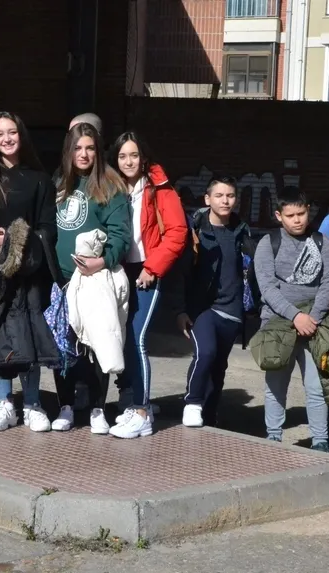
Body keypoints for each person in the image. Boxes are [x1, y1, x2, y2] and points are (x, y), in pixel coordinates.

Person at [50, 123, 131, 434]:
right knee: (64, 347)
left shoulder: (110, 187)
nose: (83, 154)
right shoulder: (59, 183)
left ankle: (98, 409)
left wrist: (102, 261)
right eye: (77, 148)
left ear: (98, 152)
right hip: (62, 281)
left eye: (90, 148)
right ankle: (66, 406)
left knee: (98, 345)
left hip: (94, 280)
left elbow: (121, 236)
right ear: (68, 152)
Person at [106, 131, 186, 439]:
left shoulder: (160, 189)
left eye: (134, 155)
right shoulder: (111, 187)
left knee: (137, 339)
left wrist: (153, 268)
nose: (128, 161)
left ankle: (142, 412)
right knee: (122, 338)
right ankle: (132, 404)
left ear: (144, 158)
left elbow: (177, 232)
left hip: (147, 270)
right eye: (122, 156)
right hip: (117, 269)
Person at [0, 111, 59, 432]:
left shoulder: (40, 179)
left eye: (11, 132)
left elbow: (48, 229)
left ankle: (32, 403)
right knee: (0, 335)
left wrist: (14, 241)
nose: (6, 139)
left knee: (30, 336)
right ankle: (4, 403)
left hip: (30, 271)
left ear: (21, 135)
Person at [253, 187, 329, 451]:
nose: (297, 220)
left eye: (301, 213)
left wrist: (312, 318)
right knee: (276, 385)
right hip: (277, 326)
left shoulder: (322, 242)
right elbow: (267, 288)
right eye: (290, 215)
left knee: (317, 386)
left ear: (308, 211)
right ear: (279, 216)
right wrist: (296, 316)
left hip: (314, 326)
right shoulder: (268, 243)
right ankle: (273, 435)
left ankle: (320, 440)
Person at [176, 176, 255, 430]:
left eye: (230, 196)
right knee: (206, 353)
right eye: (219, 196)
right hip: (203, 309)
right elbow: (181, 273)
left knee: (218, 366)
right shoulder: (194, 231)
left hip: (232, 311)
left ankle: (209, 415)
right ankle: (192, 403)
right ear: (207, 199)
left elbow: (253, 268)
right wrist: (181, 310)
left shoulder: (242, 231)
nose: (225, 201)